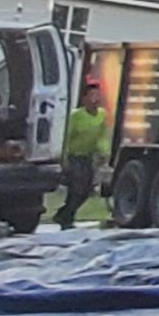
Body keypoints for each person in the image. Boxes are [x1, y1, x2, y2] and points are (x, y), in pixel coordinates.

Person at [58, 83, 109, 232]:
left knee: (87, 190)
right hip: (74, 157)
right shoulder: (76, 116)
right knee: (76, 189)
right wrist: (64, 157)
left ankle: (64, 213)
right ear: (84, 98)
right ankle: (67, 218)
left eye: (97, 95)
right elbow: (66, 137)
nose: (95, 99)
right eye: (92, 95)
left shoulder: (101, 114)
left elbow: (101, 136)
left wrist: (104, 152)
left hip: (87, 157)